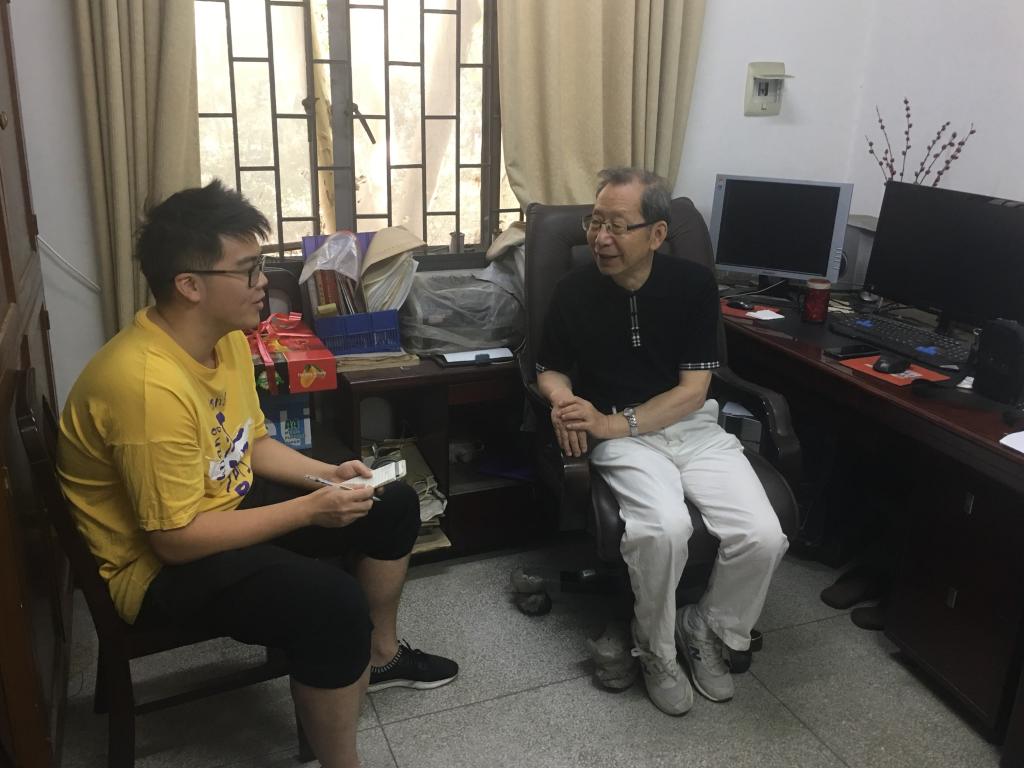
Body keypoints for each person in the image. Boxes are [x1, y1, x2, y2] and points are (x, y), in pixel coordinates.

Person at [57, 180, 457, 768]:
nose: (263, 282)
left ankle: (379, 657)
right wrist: (308, 509)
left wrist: (328, 476)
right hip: (158, 570)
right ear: (190, 285)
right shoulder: (144, 387)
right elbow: (175, 540)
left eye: (260, 265)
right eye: (247, 270)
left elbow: (254, 443)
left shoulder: (224, 341)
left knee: (389, 502)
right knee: (332, 604)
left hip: (219, 507)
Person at [536, 167, 788, 716]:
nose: (600, 238)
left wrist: (611, 425)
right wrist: (563, 400)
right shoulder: (573, 290)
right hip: (624, 441)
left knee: (763, 535)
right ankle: (655, 649)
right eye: (595, 222)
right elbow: (549, 366)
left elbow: (693, 391)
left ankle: (706, 628)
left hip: (688, 427)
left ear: (656, 234)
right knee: (665, 530)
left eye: (617, 226)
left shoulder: (693, 286)